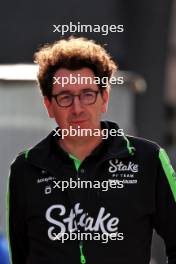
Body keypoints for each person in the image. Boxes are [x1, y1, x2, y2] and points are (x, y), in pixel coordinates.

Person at [7, 37, 176, 264]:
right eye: (65, 97)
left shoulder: (149, 160)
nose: (78, 109)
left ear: (104, 98)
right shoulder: (25, 169)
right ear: (49, 105)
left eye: (87, 94)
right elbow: (20, 255)